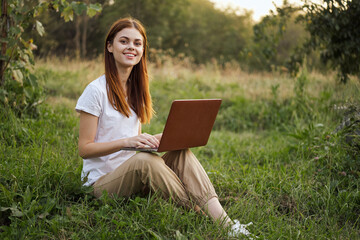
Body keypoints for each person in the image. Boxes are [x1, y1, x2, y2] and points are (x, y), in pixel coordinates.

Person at [75, 17, 253, 238]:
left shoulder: (136, 89)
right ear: (110, 47)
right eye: (124, 41)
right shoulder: (96, 91)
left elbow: (133, 139)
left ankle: (227, 224)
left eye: (137, 43)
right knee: (144, 161)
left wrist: (156, 140)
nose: (131, 47)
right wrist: (127, 142)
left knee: (181, 153)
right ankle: (199, 212)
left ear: (142, 50)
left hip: (131, 171)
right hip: (100, 184)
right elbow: (85, 148)